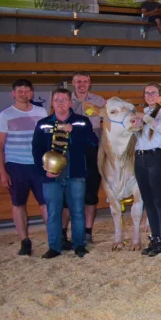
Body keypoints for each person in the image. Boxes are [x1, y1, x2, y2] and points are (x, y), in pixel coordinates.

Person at [32, 88, 97, 259]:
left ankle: (79, 245)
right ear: (52, 103)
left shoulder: (82, 122)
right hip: (51, 177)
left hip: (75, 175)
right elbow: (36, 150)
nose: (60, 103)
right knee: (53, 213)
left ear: (70, 102)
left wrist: (74, 132)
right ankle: (54, 246)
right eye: (57, 100)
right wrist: (43, 171)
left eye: (63, 100)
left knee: (78, 212)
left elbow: (93, 143)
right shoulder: (43, 123)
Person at [0, 79, 48, 256]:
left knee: (46, 203)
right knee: (18, 203)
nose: (24, 94)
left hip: (38, 165)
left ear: (32, 93)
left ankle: (53, 239)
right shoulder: (5, 115)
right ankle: (25, 241)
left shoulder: (41, 112)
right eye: (20, 91)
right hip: (16, 165)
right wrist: (3, 172)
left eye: (27, 91)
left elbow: (46, 139)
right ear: (13, 94)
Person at [134, 83, 161, 257]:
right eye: (147, 92)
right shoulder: (144, 112)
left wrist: (144, 117)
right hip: (140, 158)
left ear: (160, 95)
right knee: (148, 201)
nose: (149, 95)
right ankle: (155, 237)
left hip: (157, 158)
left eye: (153, 92)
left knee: (160, 201)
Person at [70, 71, 104, 246]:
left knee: (91, 194)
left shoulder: (99, 101)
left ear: (90, 83)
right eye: (78, 81)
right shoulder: (66, 100)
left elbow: (110, 121)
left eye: (85, 81)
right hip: (71, 151)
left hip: (93, 151)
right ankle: (67, 233)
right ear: (73, 83)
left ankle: (88, 232)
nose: (82, 84)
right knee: (69, 196)